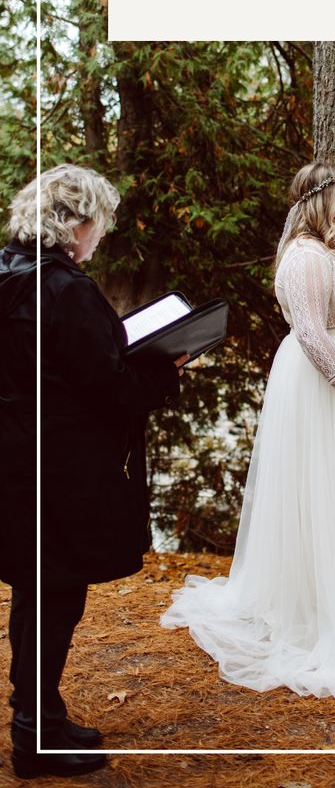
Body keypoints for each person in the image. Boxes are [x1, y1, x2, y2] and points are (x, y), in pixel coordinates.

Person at [163, 162, 335, 700]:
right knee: (332, 494)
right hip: (326, 392)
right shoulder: (304, 257)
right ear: (317, 199)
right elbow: (312, 335)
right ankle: (321, 611)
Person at [0, 164, 184, 778]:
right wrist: (164, 368)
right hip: (61, 471)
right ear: (74, 223)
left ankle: (40, 715)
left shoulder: (9, 273)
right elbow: (110, 390)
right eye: (99, 222)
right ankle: (34, 737)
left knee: (39, 589)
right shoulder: (63, 288)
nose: (101, 235)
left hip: (20, 461)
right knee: (55, 595)